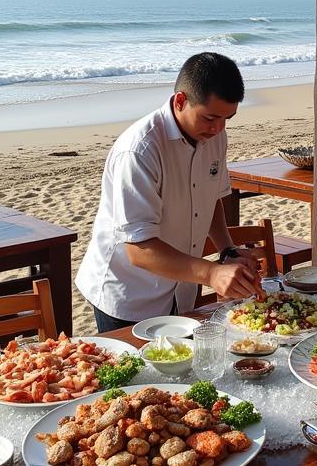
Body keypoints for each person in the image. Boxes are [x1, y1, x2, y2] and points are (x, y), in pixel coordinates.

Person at [76, 52, 261, 333]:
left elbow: (211, 199)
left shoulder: (215, 135)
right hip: (130, 293)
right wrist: (211, 273)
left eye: (227, 118)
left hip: (182, 287)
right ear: (180, 101)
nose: (218, 128)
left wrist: (227, 251)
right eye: (210, 117)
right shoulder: (140, 150)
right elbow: (139, 250)